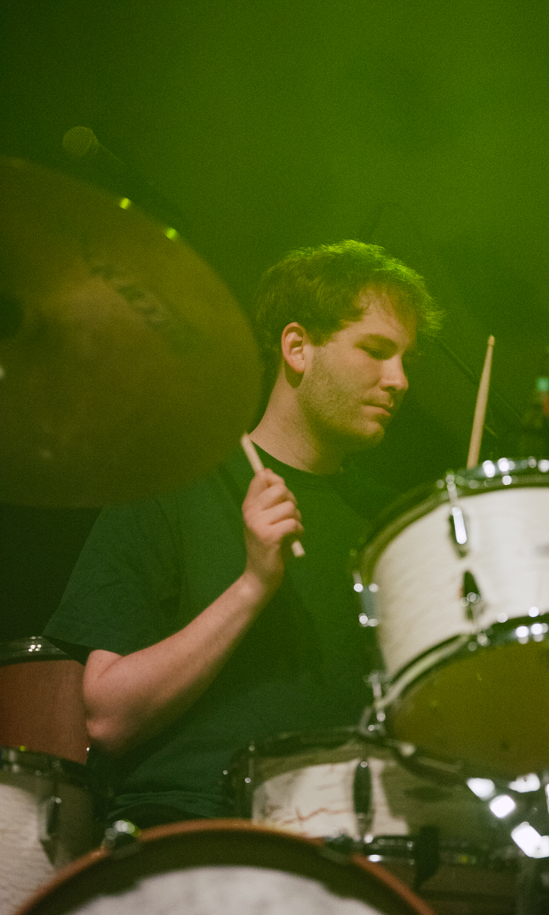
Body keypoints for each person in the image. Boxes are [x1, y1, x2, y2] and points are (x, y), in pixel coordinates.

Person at [45, 240, 441, 827]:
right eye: (376, 351)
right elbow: (108, 717)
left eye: (406, 358)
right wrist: (254, 584)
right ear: (298, 347)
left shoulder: (394, 528)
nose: (400, 380)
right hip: (190, 832)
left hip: (352, 846)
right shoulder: (173, 488)